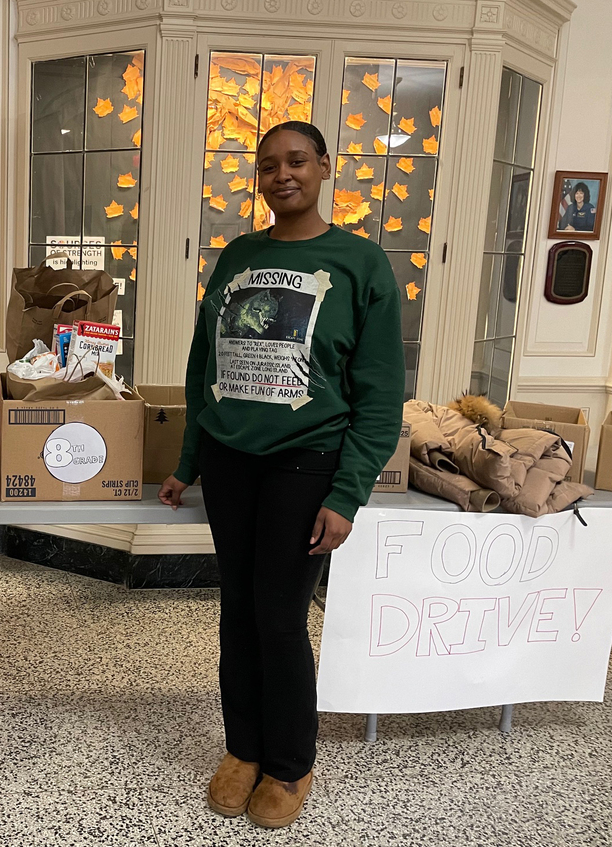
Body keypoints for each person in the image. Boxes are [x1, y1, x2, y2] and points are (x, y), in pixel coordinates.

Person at [159, 121, 404, 829]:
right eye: (267, 166)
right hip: (232, 462)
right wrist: (188, 461)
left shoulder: (361, 263)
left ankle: (290, 762)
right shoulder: (236, 257)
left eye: (296, 161)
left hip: (307, 460)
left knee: (278, 615)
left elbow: (381, 393)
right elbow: (205, 365)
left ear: (325, 166)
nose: (281, 174)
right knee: (237, 614)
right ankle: (243, 748)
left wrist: (347, 491)